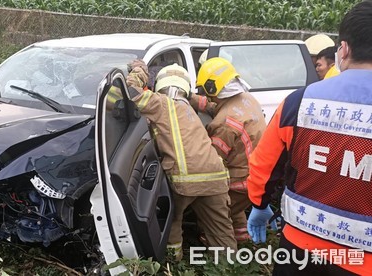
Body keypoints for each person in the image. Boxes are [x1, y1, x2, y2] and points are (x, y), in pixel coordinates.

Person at [246, 1, 372, 275]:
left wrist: (259, 204)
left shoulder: (298, 102)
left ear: (344, 49)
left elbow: (263, 165)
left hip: (300, 247)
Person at [126, 60, 237, 260]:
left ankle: (172, 263)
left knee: (171, 222)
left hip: (185, 180)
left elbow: (132, 93)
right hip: (216, 178)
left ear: (159, 85)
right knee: (221, 232)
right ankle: (229, 267)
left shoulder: (161, 104)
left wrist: (139, 70)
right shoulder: (188, 108)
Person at [189, 57, 267, 243]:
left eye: (205, 91)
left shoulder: (224, 124)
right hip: (257, 175)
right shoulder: (246, 99)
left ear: (212, 89)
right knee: (234, 208)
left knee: (212, 211)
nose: (206, 96)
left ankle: (222, 255)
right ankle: (242, 239)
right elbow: (215, 105)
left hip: (240, 180)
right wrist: (187, 97)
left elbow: (213, 162)